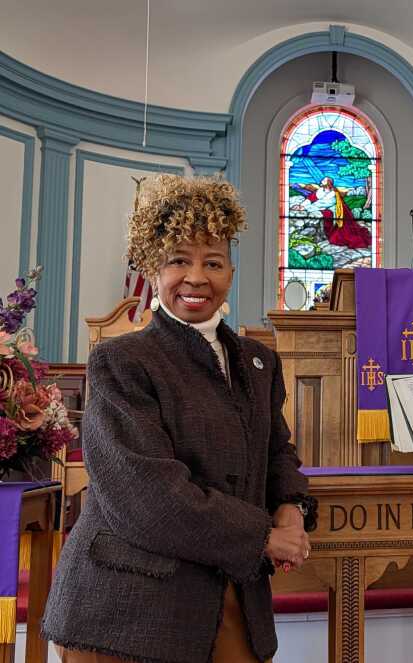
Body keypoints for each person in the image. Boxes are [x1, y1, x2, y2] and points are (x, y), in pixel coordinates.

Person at [42, 174, 316, 663]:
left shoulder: (258, 361)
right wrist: (264, 537)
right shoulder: (122, 361)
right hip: (130, 608)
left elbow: (277, 451)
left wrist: (292, 508)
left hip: (233, 597)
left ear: (231, 271)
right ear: (153, 269)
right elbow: (146, 496)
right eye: (178, 261)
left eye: (213, 262)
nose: (196, 278)